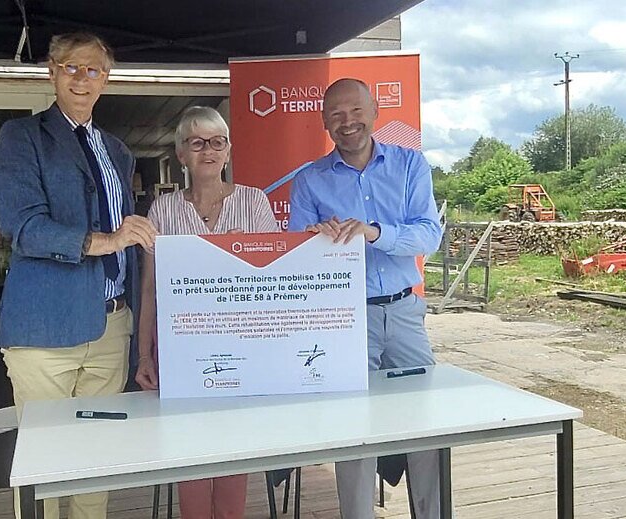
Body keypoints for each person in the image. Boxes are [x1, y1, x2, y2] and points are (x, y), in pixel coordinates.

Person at [0, 31, 156, 519]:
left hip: (110, 324)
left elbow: (129, 234)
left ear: (106, 79)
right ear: (51, 72)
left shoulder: (117, 151)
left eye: (94, 69)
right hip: (45, 329)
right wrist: (107, 240)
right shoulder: (22, 137)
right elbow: (24, 228)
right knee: (43, 463)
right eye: (71, 67)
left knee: (94, 460)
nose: (82, 77)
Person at [288, 78, 445, 519]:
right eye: (336, 114)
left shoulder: (410, 165)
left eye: (356, 111)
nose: (347, 122)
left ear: (374, 112)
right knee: (352, 428)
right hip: (344, 320)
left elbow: (429, 234)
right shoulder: (309, 180)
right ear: (324, 123)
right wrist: (312, 240)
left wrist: (374, 232)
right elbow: (294, 255)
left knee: (424, 426)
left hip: (404, 311)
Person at [135, 106, 276, 519]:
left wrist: (242, 256)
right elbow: (150, 290)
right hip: (181, 354)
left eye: (217, 142)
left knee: (234, 458)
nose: (208, 150)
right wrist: (144, 355)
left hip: (243, 352)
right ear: (181, 154)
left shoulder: (254, 203)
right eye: (197, 143)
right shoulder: (162, 212)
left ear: (229, 150)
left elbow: (274, 283)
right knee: (189, 457)